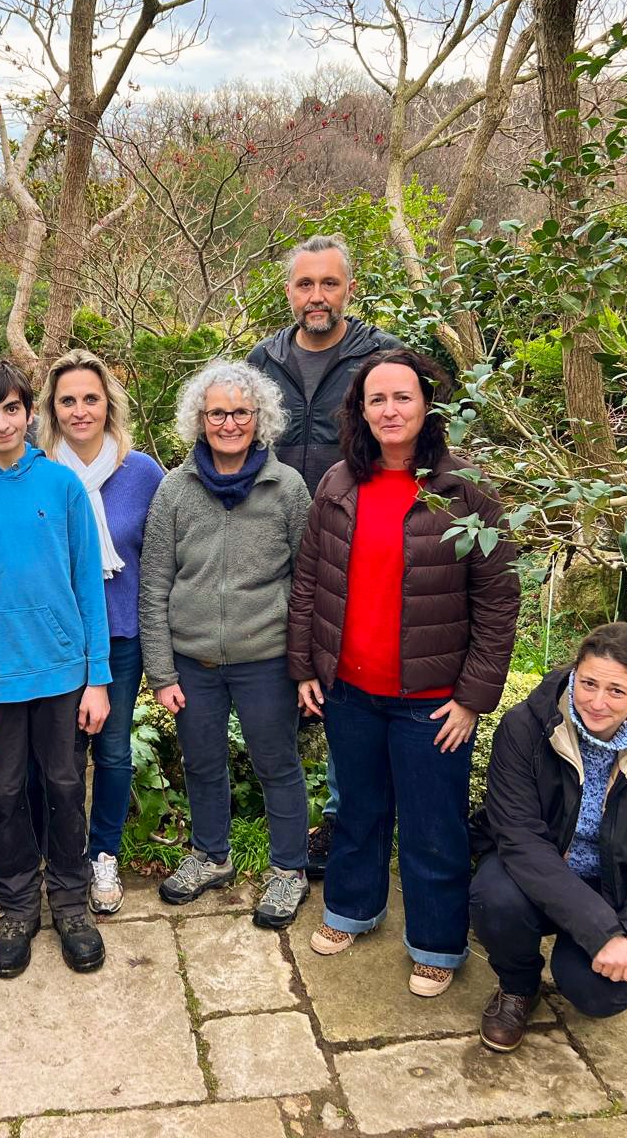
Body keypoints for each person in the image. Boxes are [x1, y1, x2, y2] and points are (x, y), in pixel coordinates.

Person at [287, 348, 519, 999]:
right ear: (360, 411)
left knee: (433, 822)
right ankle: (351, 910)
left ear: (427, 406)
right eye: (377, 399)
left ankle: (437, 942)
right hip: (352, 692)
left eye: (402, 397)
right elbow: (310, 582)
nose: (390, 410)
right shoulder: (337, 483)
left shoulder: (464, 492)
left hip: (432, 700)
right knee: (357, 808)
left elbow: (499, 602)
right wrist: (306, 664)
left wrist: (472, 698)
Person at [0, 356, 113, 978]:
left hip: (62, 673)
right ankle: (17, 904)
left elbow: (88, 582)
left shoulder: (60, 485)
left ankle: (69, 898)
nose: (2, 423)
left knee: (64, 785)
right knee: (4, 793)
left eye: (13, 409)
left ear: (30, 412)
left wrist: (98, 676)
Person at [247, 234, 402, 877]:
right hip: (277, 538)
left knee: (345, 677)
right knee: (282, 671)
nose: (317, 297)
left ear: (349, 288)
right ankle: (286, 812)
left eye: (329, 284)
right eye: (305, 284)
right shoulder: (264, 359)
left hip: (355, 541)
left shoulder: (379, 356)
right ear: (289, 291)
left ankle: (343, 822)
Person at [470, 624, 627, 1052]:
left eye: (616, 690)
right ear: (575, 672)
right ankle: (519, 987)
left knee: (603, 993)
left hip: (612, 885)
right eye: (589, 683)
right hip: (535, 874)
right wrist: (600, 932)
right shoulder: (527, 728)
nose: (597, 703)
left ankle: (583, 956)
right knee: (494, 898)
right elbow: (520, 840)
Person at [138, 361, 313, 930]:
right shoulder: (174, 490)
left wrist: (304, 661)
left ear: (258, 417)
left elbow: (308, 580)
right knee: (203, 763)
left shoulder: (286, 488)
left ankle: (288, 868)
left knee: (277, 764)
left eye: (240, 412)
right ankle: (211, 856)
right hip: (194, 662)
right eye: (218, 412)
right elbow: (155, 581)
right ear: (200, 419)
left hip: (265, 658)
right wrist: (162, 673)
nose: (229, 423)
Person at [38, 349, 165, 914]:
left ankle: (103, 853)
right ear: (52, 409)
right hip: (56, 639)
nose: (80, 410)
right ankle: (58, 854)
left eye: (91, 398)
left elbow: (163, 559)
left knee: (112, 750)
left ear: (108, 404)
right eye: (68, 400)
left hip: (120, 634)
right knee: (58, 754)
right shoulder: (36, 472)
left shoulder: (142, 474)